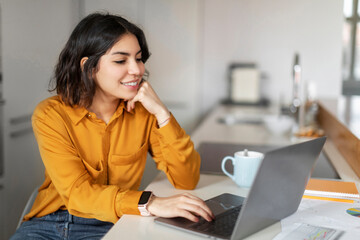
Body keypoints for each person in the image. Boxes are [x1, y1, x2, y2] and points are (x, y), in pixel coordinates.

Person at [11, 12, 214, 239]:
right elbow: (78, 194)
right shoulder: (51, 114)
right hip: (49, 222)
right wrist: (150, 203)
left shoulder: (144, 112)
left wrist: (162, 113)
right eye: (121, 60)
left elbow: (187, 178)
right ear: (88, 67)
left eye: (138, 58)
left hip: (113, 224)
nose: (137, 70)